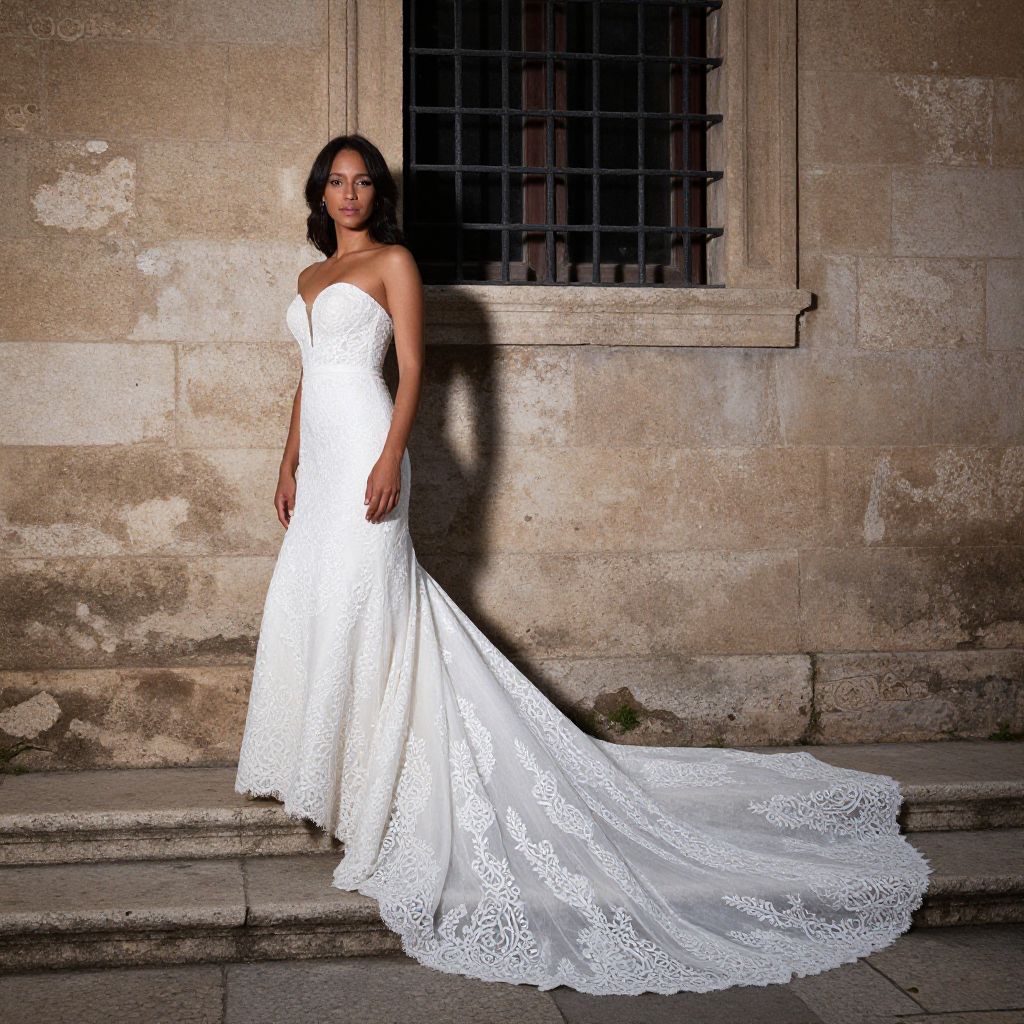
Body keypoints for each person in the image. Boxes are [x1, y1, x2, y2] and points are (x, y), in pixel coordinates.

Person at [234, 133, 932, 996]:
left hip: (373, 452)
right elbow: (306, 378)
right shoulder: (307, 279)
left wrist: (389, 457)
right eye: (336, 182)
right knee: (317, 601)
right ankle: (339, 771)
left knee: (370, 600)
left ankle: (384, 786)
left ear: (378, 195)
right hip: (321, 456)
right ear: (320, 193)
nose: (349, 194)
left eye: (363, 181)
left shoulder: (394, 263)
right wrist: (287, 458)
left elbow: (414, 371)